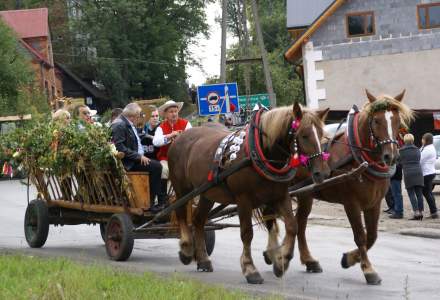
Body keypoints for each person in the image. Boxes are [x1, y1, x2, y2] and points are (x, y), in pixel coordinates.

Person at [111, 103, 164, 213]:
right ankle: (151, 203)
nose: (140, 118)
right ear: (133, 115)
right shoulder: (119, 125)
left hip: (133, 159)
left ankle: (158, 200)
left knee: (155, 164)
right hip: (128, 163)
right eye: (139, 115)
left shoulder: (126, 122)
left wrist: (152, 137)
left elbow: (138, 135)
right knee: (156, 166)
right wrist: (139, 156)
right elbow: (119, 147)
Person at [153, 100, 192, 209]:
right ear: (165, 114)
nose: (174, 114)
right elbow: (156, 142)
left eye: (176, 111)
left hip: (184, 159)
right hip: (166, 158)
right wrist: (170, 135)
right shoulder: (161, 127)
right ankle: (163, 200)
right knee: (163, 170)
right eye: (171, 112)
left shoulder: (186, 123)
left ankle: (192, 198)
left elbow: (193, 138)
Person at [399, 133, 425, 220]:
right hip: (418, 172)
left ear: (404, 140)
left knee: (411, 194)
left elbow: (399, 161)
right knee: (419, 194)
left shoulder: (401, 151)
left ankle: (416, 212)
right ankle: (421, 212)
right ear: (413, 139)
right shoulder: (417, 149)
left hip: (408, 173)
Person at [420, 133, 438, 219]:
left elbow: (420, 160)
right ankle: (434, 211)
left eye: (423, 139)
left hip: (427, 173)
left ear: (426, 140)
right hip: (428, 172)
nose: (421, 140)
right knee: (428, 192)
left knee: (427, 193)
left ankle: (434, 211)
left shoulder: (427, 149)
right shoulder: (426, 148)